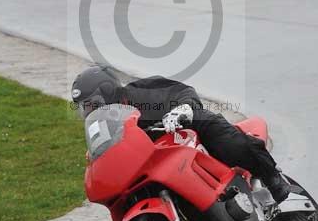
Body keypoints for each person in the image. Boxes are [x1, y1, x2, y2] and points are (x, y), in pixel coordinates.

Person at [71, 64, 290, 204]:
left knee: (218, 134)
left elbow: (181, 91)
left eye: (93, 105)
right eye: (85, 109)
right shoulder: (108, 125)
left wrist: (183, 108)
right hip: (159, 157)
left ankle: (272, 178)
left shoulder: (142, 92)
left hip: (186, 129)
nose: (90, 112)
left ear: (109, 91)